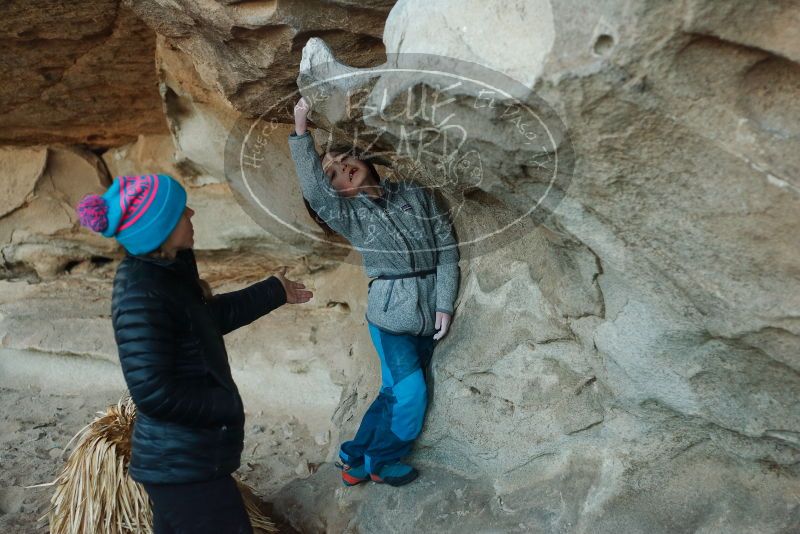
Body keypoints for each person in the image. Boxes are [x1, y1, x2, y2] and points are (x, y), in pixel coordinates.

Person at [76, 174, 312, 534]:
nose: (192, 212)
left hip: (184, 462)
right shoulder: (141, 294)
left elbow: (206, 320)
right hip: (182, 466)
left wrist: (273, 292)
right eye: (181, 211)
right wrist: (222, 405)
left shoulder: (165, 275)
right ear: (162, 228)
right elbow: (152, 392)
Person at [288, 97, 460, 487]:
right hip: (390, 319)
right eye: (331, 173)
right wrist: (302, 133)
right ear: (336, 193)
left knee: (391, 391)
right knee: (411, 393)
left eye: (343, 160)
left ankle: (354, 458)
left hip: (427, 308)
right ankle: (383, 462)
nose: (340, 169)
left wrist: (445, 302)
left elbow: (447, 249)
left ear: (364, 159)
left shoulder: (415, 194)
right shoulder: (351, 215)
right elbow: (316, 192)